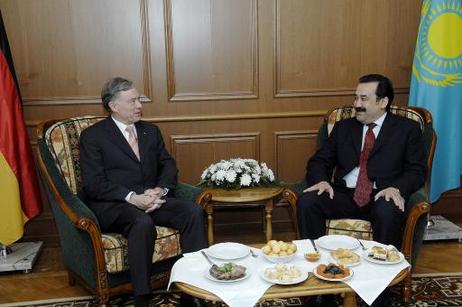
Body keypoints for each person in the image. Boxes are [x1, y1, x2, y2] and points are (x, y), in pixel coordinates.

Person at [79, 77, 207, 307]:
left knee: (193, 212)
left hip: (152, 199)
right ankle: (142, 296)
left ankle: (193, 290)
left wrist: (159, 190)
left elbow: (168, 165)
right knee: (141, 223)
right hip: (115, 204)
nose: (139, 105)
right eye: (133, 101)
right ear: (114, 106)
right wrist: (132, 198)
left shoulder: (150, 131)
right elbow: (94, 184)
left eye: (139, 99)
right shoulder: (93, 137)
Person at [297, 74, 426, 250]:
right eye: (356, 97)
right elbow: (319, 161)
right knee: (308, 201)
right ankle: (315, 260)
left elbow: (417, 171)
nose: (357, 104)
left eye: (363, 99)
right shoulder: (344, 127)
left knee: (388, 210)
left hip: (382, 194)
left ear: (383, 102)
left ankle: (383, 270)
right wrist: (322, 181)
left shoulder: (407, 129)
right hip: (343, 194)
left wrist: (396, 188)